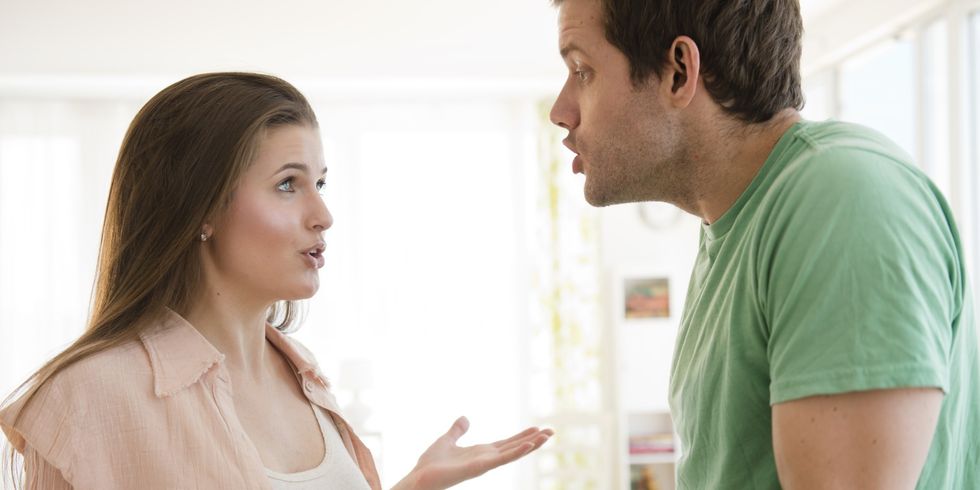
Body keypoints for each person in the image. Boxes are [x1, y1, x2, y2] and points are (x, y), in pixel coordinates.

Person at [0, 72, 553, 489]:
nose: (323, 214)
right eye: (288, 184)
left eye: (321, 182)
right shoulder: (88, 398)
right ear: (202, 208)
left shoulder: (304, 374)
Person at [547, 0, 979, 488]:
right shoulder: (734, 227)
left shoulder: (838, 197)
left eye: (582, 70)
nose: (560, 112)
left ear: (678, 73)